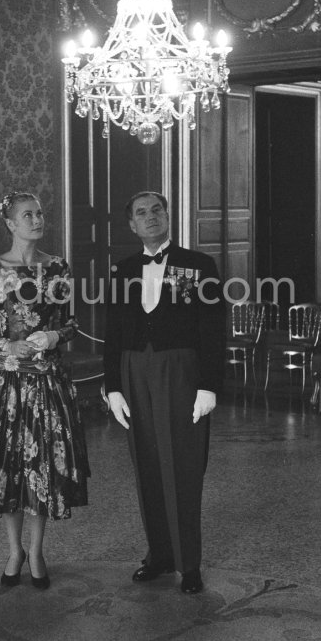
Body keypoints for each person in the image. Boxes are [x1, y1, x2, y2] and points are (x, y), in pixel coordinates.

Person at [0, 191, 90, 589]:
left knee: (41, 470)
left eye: (39, 212)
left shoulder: (58, 268)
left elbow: (70, 323)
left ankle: (36, 551)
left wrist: (53, 335)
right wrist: (6, 346)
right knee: (8, 469)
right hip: (6, 384)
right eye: (27, 215)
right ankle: (14, 550)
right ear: (10, 224)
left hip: (46, 383)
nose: (37, 219)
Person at [103, 191, 225, 594]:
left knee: (185, 467)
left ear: (168, 216)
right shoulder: (121, 271)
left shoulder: (199, 265)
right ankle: (159, 555)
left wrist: (209, 385)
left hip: (182, 373)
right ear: (132, 225)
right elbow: (113, 335)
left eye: (157, 210)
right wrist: (114, 388)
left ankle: (189, 565)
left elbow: (212, 329)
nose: (151, 217)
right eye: (141, 213)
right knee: (148, 466)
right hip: (134, 370)